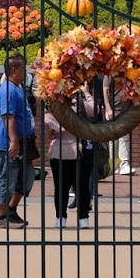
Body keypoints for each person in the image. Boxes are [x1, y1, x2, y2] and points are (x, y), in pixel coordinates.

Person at [44, 81, 99, 228]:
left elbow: (49, 121)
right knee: (78, 186)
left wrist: (62, 128)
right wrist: (87, 94)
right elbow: (94, 110)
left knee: (65, 187)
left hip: (67, 150)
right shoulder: (75, 101)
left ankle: (64, 218)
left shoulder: (56, 102)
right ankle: (79, 219)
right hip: (72, 149)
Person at [0, 54, 34, 229]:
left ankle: (11, 210)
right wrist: (14, 140)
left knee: (27, 177)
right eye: (23, 69)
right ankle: (3, 217)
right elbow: (8, 117)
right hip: (7, 144)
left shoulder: (16, 88)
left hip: (24, 142)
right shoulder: (8, 90)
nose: (26, 72)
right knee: (6, 178)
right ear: (14, 70)